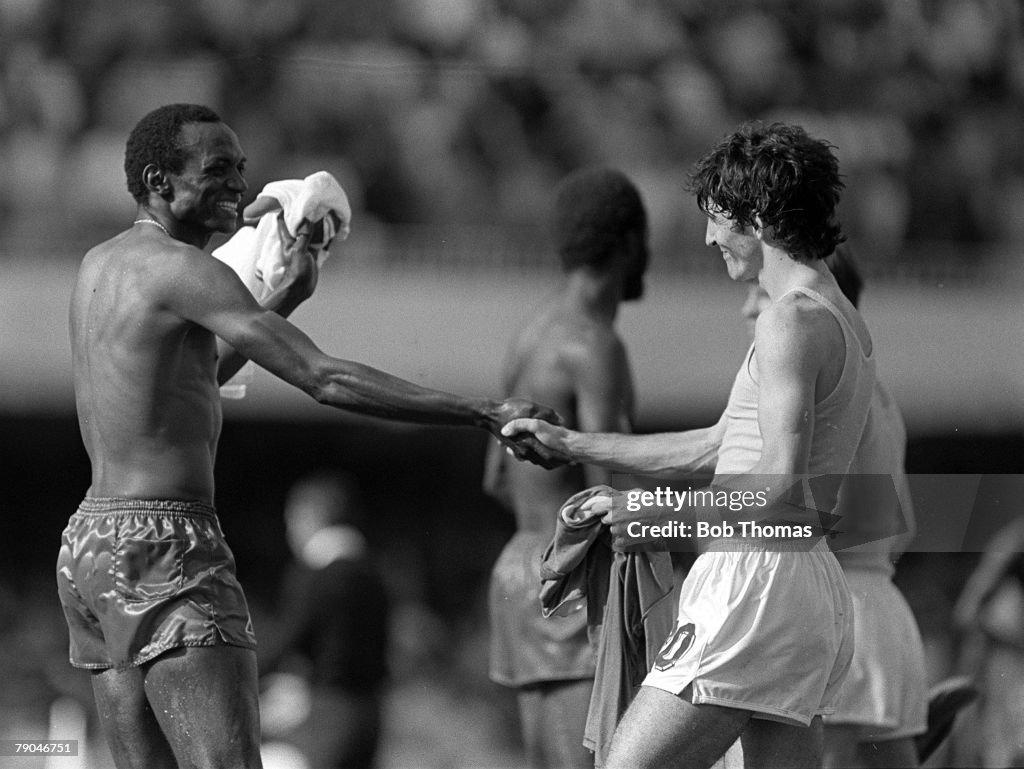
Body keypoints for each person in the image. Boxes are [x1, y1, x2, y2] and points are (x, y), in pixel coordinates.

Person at [56, 103, 563, 769]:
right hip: (166, 544)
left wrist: (285, 298)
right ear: (159, 180)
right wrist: (481, 410)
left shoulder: (101, 266)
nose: (239, 184)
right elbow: (323, 378)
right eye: (217, 169)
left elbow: (193, 383)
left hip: (89, 547)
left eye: (239, 167)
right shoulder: (186, 270)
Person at [504, 121, 875, 769]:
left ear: (756, 216)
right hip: (807, 583)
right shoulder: (838, 315)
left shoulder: (789, 320)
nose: (708, 237)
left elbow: (779, 488)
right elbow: (717, 446)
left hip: (756, 574)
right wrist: (572, 441)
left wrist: (653, 515)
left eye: (715, 218)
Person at [483, 167, 649, 769]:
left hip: (521, 567)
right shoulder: (593, 346)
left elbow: (495, 479)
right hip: (576, 578)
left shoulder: (531, 337)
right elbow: (611, 494)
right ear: (631, 243)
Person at [742, 248, 928, 768]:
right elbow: (902, 528)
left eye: (759, 293)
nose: (750, 310)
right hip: (885, 610)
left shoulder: (836, 389)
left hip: (844, 609)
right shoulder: (883, 397)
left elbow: (814, 515)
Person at [258, 471, 389, 769]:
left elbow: (286, 641)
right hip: (370, 715)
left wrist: (243, 679)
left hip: (327, 718)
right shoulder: (373, 573)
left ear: (309, 517)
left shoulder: (316, 576)